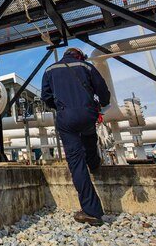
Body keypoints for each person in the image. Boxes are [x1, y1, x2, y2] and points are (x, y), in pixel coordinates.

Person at [41, 47, 111, 226]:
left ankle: (91, 211)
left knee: (76, 162)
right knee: (89, 137)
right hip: (88, 114)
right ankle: (95, 164)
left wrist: (60, 107)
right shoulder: (86, 66)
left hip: (66, 117)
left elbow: (46, 96)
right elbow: (102, 90)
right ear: (78, 55)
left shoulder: (49, 70)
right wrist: (102, 103)